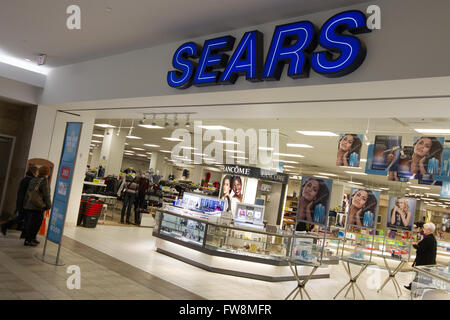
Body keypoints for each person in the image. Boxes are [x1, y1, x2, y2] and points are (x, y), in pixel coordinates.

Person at [1, 166, 39, 236]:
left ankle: (22, 234)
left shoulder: (25, 179)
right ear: (34, 172)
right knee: (23, 217)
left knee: (23, 217)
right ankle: (5, 226)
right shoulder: (30, 180)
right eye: (37, 172)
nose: (37, 174)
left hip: (20, 201)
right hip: (24, 203)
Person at [22, 166, 52, 246]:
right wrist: (48, 205)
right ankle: (29, 240)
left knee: (30, 223)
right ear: (47, 173)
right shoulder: (44, 181)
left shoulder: (33, 180)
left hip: (29, 205)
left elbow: (28, 193)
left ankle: (31, 238)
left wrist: (25, 204)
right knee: (36, 224)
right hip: (38, 207)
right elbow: (46, 195)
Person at [404, 222, 437, 290]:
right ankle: (412, 286)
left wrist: (414, 245)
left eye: (424, 228)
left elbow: (421, 248)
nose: (423, 230)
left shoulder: (429, 239)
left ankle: (414, 287)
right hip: (427, 261)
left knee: (420, 275)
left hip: (425, 261)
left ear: (428, 230)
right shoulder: (431, 238)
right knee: (420, 275)